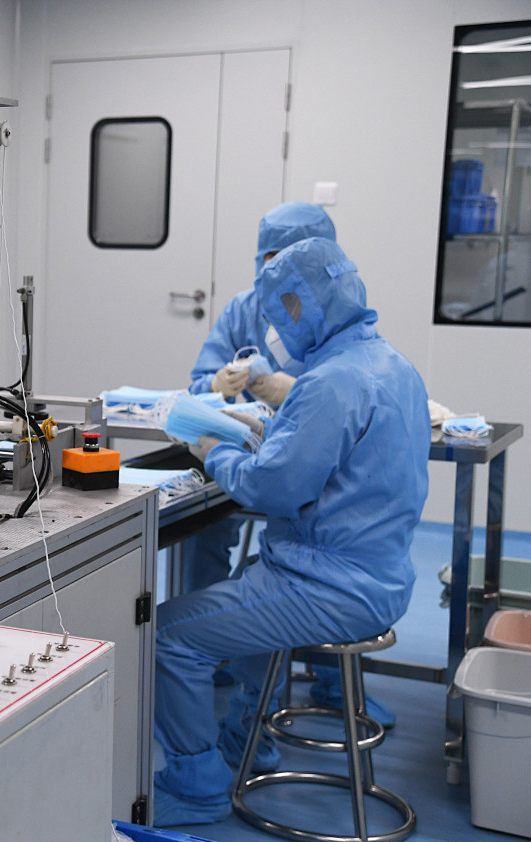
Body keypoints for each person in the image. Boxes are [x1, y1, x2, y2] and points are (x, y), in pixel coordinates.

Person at [152, 237, 430, 826]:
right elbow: (334, 463)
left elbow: (272, 489)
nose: (277, 330)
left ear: (300, 305)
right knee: (246, 600)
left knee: (168, 636)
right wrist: (270, 434)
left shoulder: (331, 383)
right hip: (381, 577)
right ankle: (247, 740)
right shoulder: (393, 366)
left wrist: (213, 449)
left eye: (280, 314)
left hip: (326, 587)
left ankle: (196, 785)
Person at [183, 201, 396, 733]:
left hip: (316, 546)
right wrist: (219, 386)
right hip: (359, 565)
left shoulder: (336, 367)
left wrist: (222, 450)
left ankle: (291, 699)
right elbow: (200, 382)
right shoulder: (382, 361)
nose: (278, 273)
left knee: (183, 628)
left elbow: (275, 485)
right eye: (270, 258)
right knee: (208, 534)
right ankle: (230, 673)